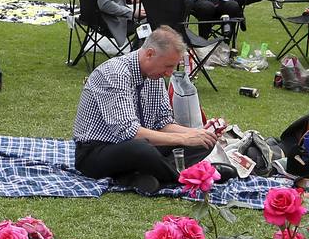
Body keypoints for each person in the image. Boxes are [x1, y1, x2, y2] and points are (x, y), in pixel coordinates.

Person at [73, 26, 220, 194]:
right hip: (96, 153)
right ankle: (185, 179)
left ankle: (139, 176)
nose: (169, 73)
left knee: (204, 142)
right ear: (150, 54)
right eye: (168, 66)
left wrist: (197, 133)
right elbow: (129, 133)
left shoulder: (154, 76)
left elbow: (163, 122)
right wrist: (184, 138)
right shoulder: (114, 73)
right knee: (141, 149)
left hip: (141, 145)